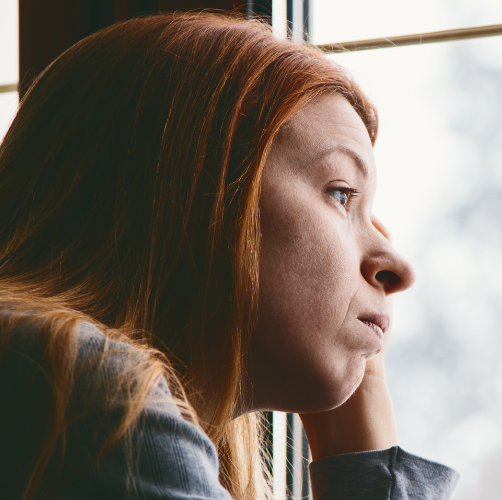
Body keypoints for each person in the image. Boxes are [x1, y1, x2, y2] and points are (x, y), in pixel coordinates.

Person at [0, 12, 458, 500]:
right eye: (342, 194)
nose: (398, 267)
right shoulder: (91, 399)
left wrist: (360, 411)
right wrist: (367, 465)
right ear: (195, 193)